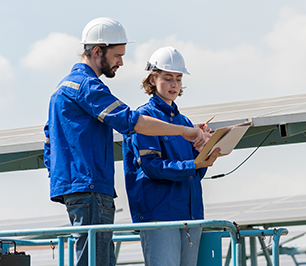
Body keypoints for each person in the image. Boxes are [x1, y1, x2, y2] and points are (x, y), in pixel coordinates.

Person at [43, 19, 205, 266]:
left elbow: (49, 144)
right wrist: (185, 131)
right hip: (91, 187)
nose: (121, 62)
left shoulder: (62, 89)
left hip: (79, 187)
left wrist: (64, 181)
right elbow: (131, 121)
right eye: (117, 55)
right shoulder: (88, 86)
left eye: (178, 78)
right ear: (97, 52)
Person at [122, 46, 221, 266]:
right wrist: (193, 163)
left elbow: (194, 173)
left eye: (178, 78)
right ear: (152, 80)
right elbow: (152, 166)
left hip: (190, 214)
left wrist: (203, 152)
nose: (174, 84)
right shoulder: (143, 118)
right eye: (168, 78)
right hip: (160, 215)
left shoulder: (185, 123)